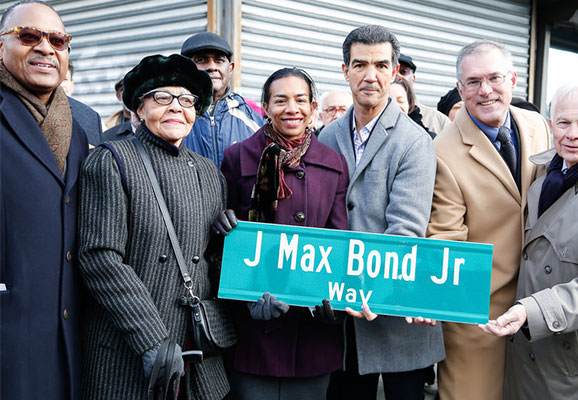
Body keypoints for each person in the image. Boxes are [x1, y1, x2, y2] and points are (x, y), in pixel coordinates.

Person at [78, 54, 230, 399]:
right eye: (163, 97)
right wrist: (151, 340)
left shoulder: (209, 173)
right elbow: (100, 258)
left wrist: (235, 252)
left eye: (188, 100)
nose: (177, 107)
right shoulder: (111, 160)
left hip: (197, 352)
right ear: (139, 108)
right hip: (133, 349)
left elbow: (210, 259)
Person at [319, 25, 444, 400]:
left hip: (394, 311)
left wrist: (366, 286)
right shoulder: (327, 136)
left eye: (380, 65)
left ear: (394, 72)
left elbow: (406, 228)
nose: (369, 75)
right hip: (342, 316)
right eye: (359, 65)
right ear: (345, 71)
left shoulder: (414, 141)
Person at [214, 66, 349, 400]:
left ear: (313, 107)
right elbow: (222, 244)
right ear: (266, 106)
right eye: (281, 100)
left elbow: (338, 241)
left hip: (312, 334)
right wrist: (221, 225)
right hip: (254, 330)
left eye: (301, 100)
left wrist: (333, 305)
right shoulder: (238, 156)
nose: (292, 109)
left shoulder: (333, 162)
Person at [427, 40, 550, 400]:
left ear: (512, 79)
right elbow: (445, 239)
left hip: (540, 304)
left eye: (495, 78)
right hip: (481, 316)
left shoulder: (537, 124)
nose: (486, 90)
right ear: (460, 88)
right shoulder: (441, 151)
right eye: (474, 81)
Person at [480, 80, 578, 399]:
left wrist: (531, 311)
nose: (572, 134)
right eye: (564, 122)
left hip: (575, 366)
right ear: (550, 124)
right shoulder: (541, 171)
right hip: (523, 355)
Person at [0, 1, 89, 399]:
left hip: (72, 338)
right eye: (29, 36)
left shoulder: (84, 124)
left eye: (57, 40)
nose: (46, 48)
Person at [181, 31, 263, 167]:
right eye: (201, 60)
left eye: (219, 61)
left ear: (230, 69)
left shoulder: (254, 121)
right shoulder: (172, 117)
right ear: (185, 68)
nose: (212, 67)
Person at [397, 53, 451, 134]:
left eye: (403, 72)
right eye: (393, 71)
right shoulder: (373, 116)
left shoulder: (438, 121)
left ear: (413, 79)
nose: (397, 76)